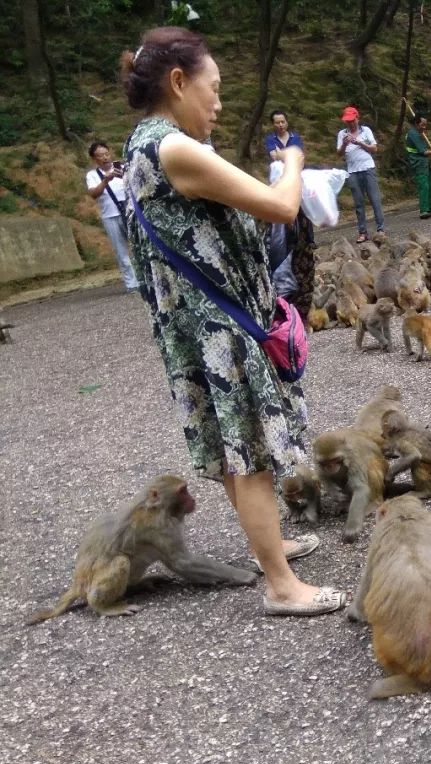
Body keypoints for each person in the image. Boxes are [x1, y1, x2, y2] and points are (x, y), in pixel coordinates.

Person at [120, 26, 347, 616]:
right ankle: (280, 584)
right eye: (213, 88)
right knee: (250, 452)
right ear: (177, 82)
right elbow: (282, 206)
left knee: (232, 449)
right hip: (220, 328)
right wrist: (294, 160)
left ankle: (270, 544)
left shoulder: (142, 143)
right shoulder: (171, 147)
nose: (219, 103)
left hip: (197, 325)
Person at [263, 110, 315, 311]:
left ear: (287, 122)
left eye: (283, 121)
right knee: (284, 219)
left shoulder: (295, 137)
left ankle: (306, 239)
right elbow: (275, 156)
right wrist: (289, 157)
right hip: (280, 185)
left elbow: (296, 157)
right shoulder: (270, 139)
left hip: (297, 183)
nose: (280, 125)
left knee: (302, 214)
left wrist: (284, 156)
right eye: (276, 122)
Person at [86, 141, 138, 292]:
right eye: (100, 156)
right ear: (94, 159)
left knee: (139, 247)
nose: (105, 158)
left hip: (130, 212)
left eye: (106, 154)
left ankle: (146, 280)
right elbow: (94, 194)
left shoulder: (122, 168)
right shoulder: (92, 175)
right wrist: (105, 180)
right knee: (121, 251)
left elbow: (137, 185)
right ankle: (132, 284)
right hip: (110, 216)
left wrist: (124, 177)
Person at [336, 105, 385, 244]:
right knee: (358, 203)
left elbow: (374, 149)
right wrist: (345, 144)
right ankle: (362, 232)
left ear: (357, 118)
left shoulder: (366, 131)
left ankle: (380, 229)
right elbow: (339, 153)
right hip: (352, 171)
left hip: (368, 168)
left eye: (352, 120)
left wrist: (359, 142)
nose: (350, 123)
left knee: (375, 200)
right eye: (348, 121)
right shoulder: (342, 134)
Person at [405, 114, 431, 218]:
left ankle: (430, 209)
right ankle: (424, 211)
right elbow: (423, 151)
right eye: (422, 125)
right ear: (416, 124)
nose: (424, 127)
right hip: (418, 163)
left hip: (424, 164)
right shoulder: (413, 134)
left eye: (425, 125)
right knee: (424, 186)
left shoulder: (418, 133)